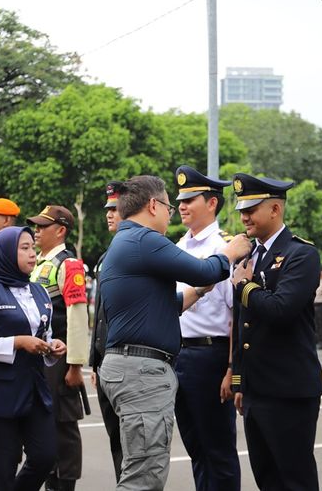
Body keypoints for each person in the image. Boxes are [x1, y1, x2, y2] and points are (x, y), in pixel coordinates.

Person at [97, 175, 251, 491]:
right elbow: (208, 270)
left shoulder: (126, 242)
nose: (173, 212)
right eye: (170, 205)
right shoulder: (146, 241)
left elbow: (166, 303)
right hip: (142, 370)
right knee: (145, 475)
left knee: (145, 464)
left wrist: (200, 291)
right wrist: (230, 252)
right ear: (153, 205)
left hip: (131, 365)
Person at [229, 173, 322, 491]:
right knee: (266, 477)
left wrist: (244, 285)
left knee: (294, 479)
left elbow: (282, 309)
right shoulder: (249, 255)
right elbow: (242, 324)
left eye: (252, 208)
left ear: (275, 209)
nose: (244, 216)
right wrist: (240, 380)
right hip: (256, 390)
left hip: (288, 391)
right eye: (242, 209)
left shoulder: (302, 254)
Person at [0, 226, 66, 491]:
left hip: (33, 389)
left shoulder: (39, 291)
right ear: (6, 253)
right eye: (24, 248)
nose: (33, 253)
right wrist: (17, 343)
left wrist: (51, 346)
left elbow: (45, 333)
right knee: (3, 466)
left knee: (45, 456)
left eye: (33, 247)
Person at [172, 165, 241, 491]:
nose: (182, 205)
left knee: (219, 450)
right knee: (195, 447)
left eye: (190, 199)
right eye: (180, 200)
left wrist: (231, 369)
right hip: (179, 355)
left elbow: (235, 316)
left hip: (212, 358)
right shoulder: (177, 248)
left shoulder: (227, 249)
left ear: (212, 203)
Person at [26, 205, 89, 491]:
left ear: (60, 230)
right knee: (43, 421)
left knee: (63, 424)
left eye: (43, 227)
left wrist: (75, 365)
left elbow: (77, 315)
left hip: (60, 358)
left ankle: (64, 483)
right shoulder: (38, 263)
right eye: (36, 226)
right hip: (40, 358)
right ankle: (50, 477)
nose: (37, 231)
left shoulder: (69, 264)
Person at [89, 181, 124, 481]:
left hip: (126, 362)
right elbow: (99, 316)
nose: (109, 214)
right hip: (105, 362)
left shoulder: (137, 252)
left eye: (115, 208)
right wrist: (94, 361)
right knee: (116, 439)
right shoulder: (105, 257)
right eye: (108, 209)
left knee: (132, 445)